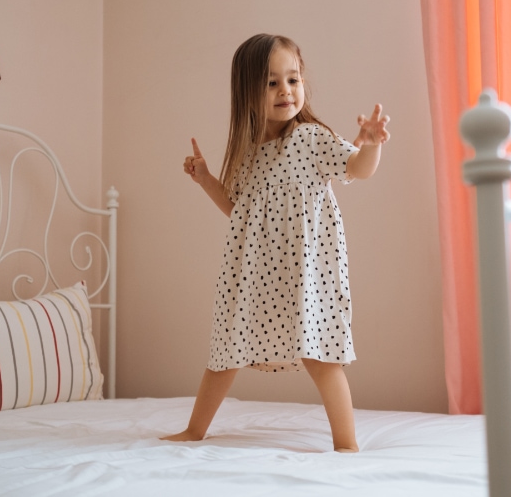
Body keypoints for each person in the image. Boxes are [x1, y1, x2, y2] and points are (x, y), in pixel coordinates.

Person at [162, 34, 389, 452]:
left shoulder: (311, 138)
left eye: (293, 79)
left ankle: (346, 443)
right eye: (271, 83)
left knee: (321, 357)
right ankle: (195, 430)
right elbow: (240, 212)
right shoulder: (249, 154)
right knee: (226, 350)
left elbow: (357, 168)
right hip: (256, 274)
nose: (286, 90)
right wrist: (206, 180)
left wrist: (371, 144)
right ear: (247, 93)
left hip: (305, 274)